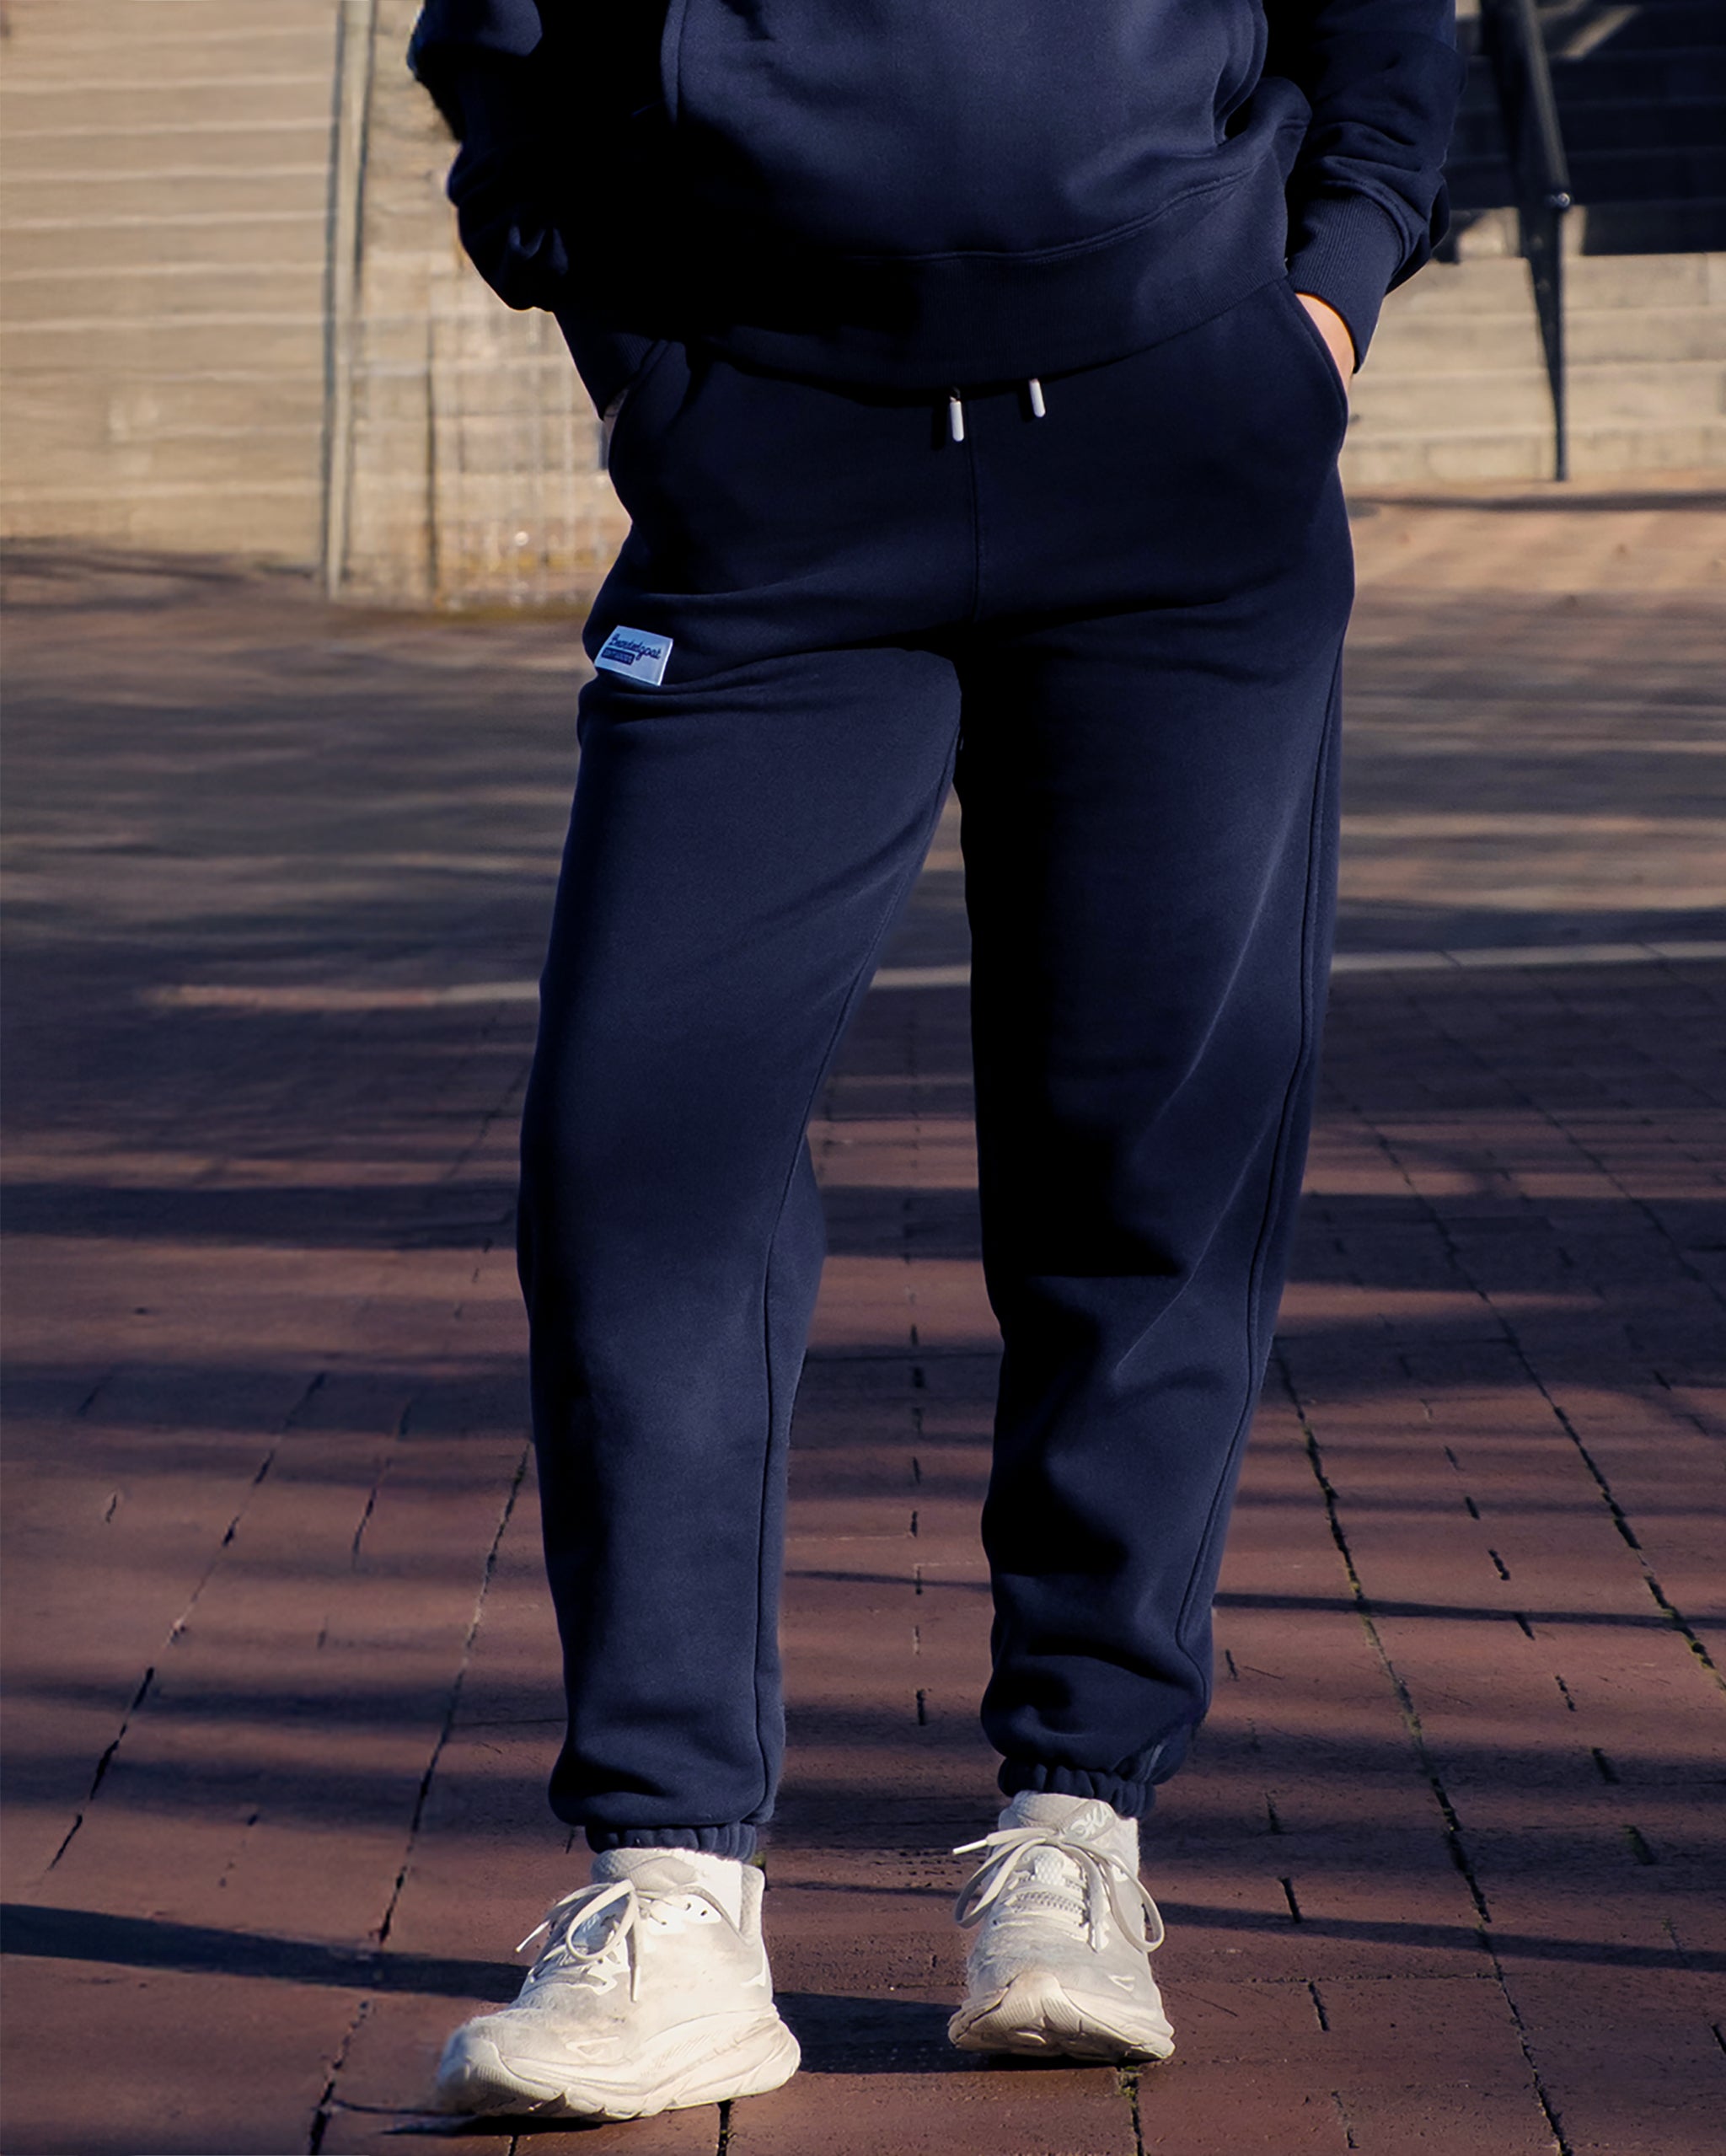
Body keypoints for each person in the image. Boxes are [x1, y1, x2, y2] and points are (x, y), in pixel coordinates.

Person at [408, 0, 1462, 2124]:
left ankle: (1077, 1829)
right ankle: (672, 1878)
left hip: (1185, 458)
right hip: (774, 484)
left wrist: (1319, 312)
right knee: (637, 1154)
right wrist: (644, 345)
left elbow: (1388, 35)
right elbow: (497, 49)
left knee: (1143, 1152)